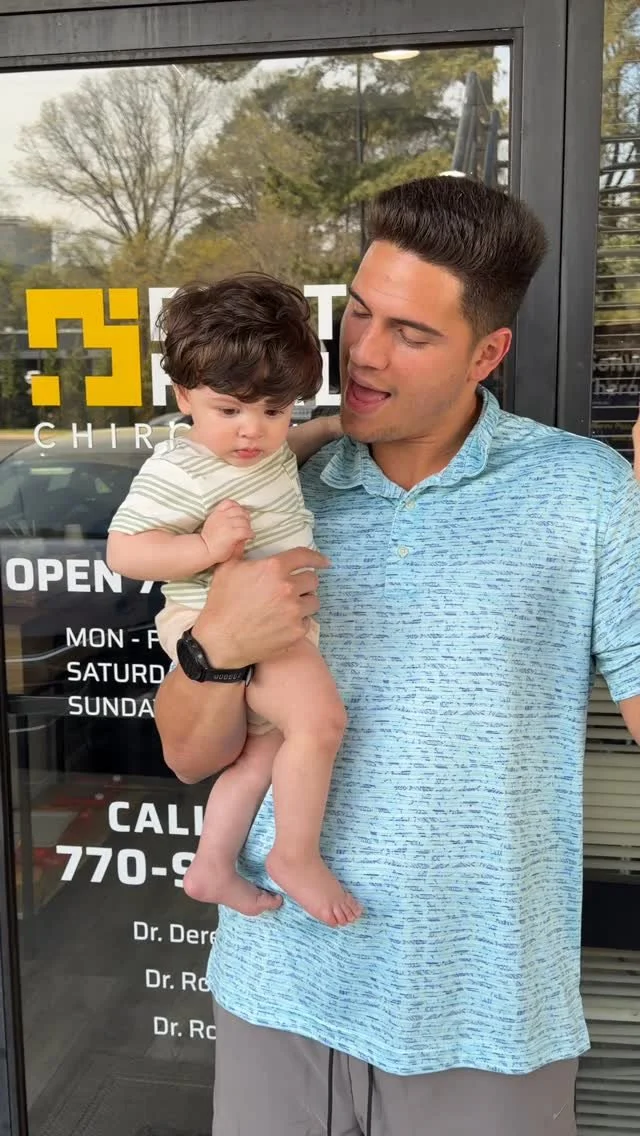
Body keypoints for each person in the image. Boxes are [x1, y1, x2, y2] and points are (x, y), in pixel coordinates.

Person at [155, 176, 640, 1136]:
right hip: (277, 989)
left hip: (485, 1018)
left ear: (487, 354)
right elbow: (187, 756)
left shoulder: (584, 492)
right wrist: (217, 650)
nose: (365, 354)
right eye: (360, 313)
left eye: (411, 333)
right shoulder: (269, 488)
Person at [107, 275, 362, 927]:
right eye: (229, 411)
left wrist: (329, 427)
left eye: (274, 411)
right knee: (320, 723)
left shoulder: (261, 449)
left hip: (273, 620)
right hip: (216, 617)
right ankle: (294, 856)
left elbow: (283, 454)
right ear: (183, 396)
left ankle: (211, 865)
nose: (252, 431)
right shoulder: (180, 469)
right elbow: (125, 552)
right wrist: (204, 546)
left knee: (262, 755)